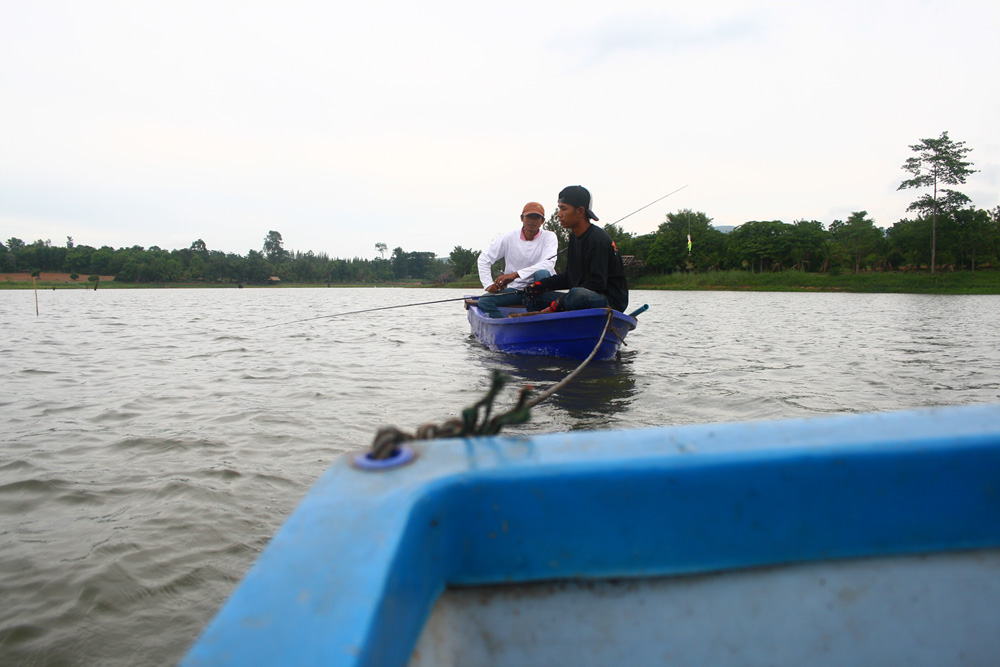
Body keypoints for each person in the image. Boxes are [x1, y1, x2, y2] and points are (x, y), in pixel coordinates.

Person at [523, 185, 628, 314]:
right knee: (535, 298)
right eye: (559, 209)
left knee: (577, 294)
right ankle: (541, 329)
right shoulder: (574, 237)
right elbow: (569, 276)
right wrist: (540, 285)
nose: (559, 214)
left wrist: (559, 303)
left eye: (563, 209)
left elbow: (597, 284)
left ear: (580, 211)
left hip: (607, 301)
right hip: (579, 297)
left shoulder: (596, 239)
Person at [475, 202, 559, 318]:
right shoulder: (509, 237)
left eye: (536, 217)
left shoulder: (549, 236)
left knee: (542, 273)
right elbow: (484, 258)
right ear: (522, 218)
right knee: (484, 301)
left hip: (541, 290)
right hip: (517, 290)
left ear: (542, 221)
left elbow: (548, 264)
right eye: (529, 217)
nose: (532, 221)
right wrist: (488, 284)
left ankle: (540, 316)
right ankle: (507, 327)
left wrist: (515, 274)